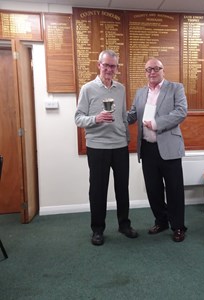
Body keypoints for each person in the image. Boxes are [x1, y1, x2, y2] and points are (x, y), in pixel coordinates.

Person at [75, 50, 138, 246]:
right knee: (98, 190)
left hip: (119, 146)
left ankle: (124, 224)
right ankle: (97, 230)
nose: (109, 69)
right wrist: (96, 118)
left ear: (117, 68)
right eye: (106, 65)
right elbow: (78, 118)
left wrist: (127, 137)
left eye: (113, 66)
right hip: (98, 147)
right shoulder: (87, 89)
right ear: (99, 65)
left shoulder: (120, 89)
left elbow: (122, 117)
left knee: (122, 188)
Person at [127, 58, 188, 242]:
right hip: (147, 148)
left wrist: (155, 123)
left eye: (156, 69)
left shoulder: (175, 88)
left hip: (169, 147)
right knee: (153, 189)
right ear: (145, 72)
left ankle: (178, 226)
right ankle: (161, 221)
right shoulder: (140, 93)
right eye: (148, 69)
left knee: (174, 189)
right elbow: (132, 115)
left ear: (163, 70)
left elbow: (181, 112)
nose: (152, 72)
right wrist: (114, 116)